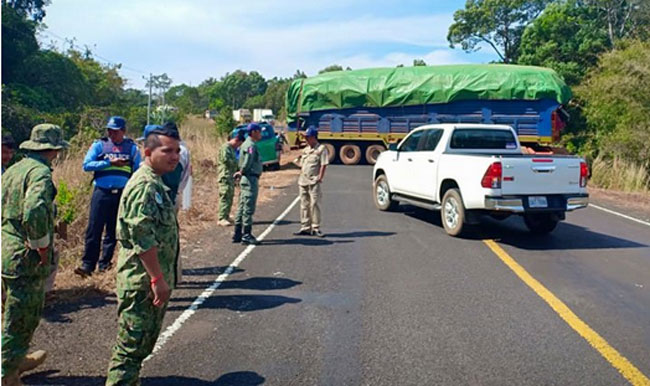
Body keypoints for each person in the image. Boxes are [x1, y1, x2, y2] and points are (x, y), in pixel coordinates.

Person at [105, 125, 180, 386]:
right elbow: (141, 235)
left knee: (139, 349)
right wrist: (157, 278)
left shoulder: (156, 183)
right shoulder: (145, 185)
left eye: (177, 151)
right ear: (148, 152)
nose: (174, 156)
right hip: (141, 283)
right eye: (167, 150)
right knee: (129, 351)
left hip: (147, 280)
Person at [1, 124, 69, 386]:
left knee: (11, 313)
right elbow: (33, 211)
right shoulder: (39, 173)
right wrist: (41, 246)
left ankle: (15, 359)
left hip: (6, 249)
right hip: (23, 256)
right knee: (22, 319)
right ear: (53, 150)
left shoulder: (15, 169)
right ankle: (7, 373)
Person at [75, 116, 141, 277]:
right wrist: (109, 163)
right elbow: (87, 165)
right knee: (94, 229)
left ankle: (105, 264)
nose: (112, 134)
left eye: (115, 131)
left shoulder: (132, 148)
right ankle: (88, 264)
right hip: (101, 192)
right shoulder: (99, 145)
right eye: (109, 130)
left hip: (121, 193)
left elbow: (138, 170)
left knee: (113, 230)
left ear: (123, 131)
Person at [293, 126, 328, 237]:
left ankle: (315, 227)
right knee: (304, 204)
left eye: (308, 137)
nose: (306, 139)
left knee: (315, 204)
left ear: (314, 137)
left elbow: (323, 164)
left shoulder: (321, 149)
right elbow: (300, 162)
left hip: (313, 180)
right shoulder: (306, 150)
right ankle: (305, 227)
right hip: (303, 180)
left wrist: (320, 177)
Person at [232, 123, 263, 245]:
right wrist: (242, 171)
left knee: (241, 206)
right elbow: (247, 161)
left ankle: (238, 233)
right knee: (248, 207)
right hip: (250, 178)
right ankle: (247, 234)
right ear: (254, 132)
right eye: (259, 131)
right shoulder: (250, 145)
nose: (260, 134)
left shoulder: (246, 144)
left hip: (246, 178)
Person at [217, 128, 245, 226]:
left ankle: (226, 215)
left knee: (230, 197)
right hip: (225, 176)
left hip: (230, 177)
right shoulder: (225, 148)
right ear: (236, 140)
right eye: (239, 144)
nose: (238, 147)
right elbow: (226, 161)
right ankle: (221, 217)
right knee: (225, 196)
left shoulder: (232, 149)